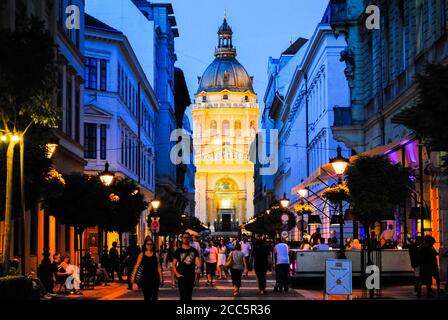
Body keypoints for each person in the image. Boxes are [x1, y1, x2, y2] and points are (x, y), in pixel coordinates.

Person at [172, 232, 201, 301]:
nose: (186, 239)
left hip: (191, 275)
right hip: (181, 275)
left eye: (187, 237)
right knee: (183, 295)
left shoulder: (194, 250)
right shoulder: (178, 251)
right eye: (184, 237)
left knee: (189, 295)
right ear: (181, 239)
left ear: (190, 239)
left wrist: (198, 269)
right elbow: (173, 264)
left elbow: (198, 262)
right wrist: (177, 274)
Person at [131, 237, 162, 301]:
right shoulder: (142, 254)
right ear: (145, 245)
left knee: (154, 297)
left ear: (153, 245)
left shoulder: (156, 255)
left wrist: (161, 277)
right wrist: (133, 277)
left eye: (151, 244)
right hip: (145, 278)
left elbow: (158, 267)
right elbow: (136, 266)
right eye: (148, 244)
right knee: (147, 297)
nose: (149, 246)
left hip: (155, 278)